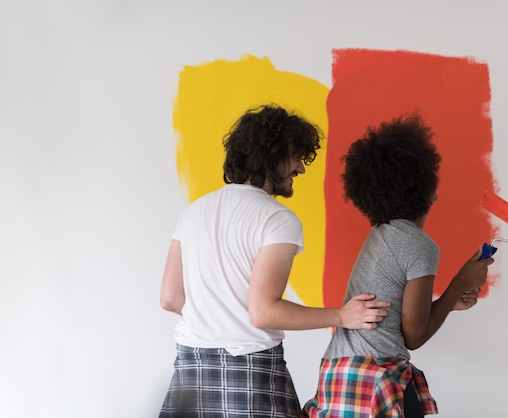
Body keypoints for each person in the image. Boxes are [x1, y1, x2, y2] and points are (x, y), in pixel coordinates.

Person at [159, 104, 392, 417]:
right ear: (271, 156)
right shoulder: (277, 218)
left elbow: (170, 298)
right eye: (296, 157)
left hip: (191, 371)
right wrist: (341, 316)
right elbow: (265, 312)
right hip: (251, 376)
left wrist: (217, 317)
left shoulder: (193, 212)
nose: (301, 169)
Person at [301, 113, 495, 418]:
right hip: (375, 376)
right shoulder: (419, 245)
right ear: (425, 186)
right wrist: (459, 281)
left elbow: (401, 323)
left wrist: (447, 302)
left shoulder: (382, 235)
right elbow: (415, 336)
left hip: (339, 374)